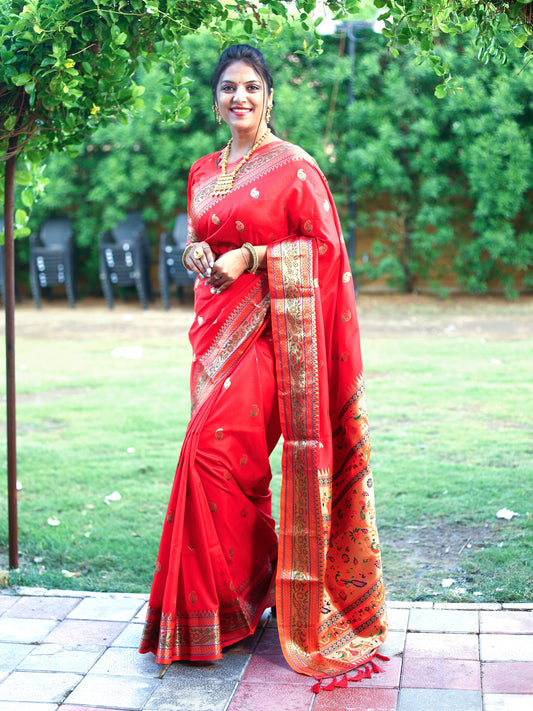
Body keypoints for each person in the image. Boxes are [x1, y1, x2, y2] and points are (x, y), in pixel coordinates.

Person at [139, 44, 388, 685]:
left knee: (209, 455)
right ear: (215, 98)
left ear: (269, 96)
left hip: (271, 340)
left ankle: (237, 597)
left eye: (251, 87)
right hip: (214, 332)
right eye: (227, 88)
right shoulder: (200, 170)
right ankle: (236, 604)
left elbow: (323, 249)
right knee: (233, 472)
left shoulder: (295, 167)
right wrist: (199, 253)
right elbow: (204, 235)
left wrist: (251, 257)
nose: (238, 98)